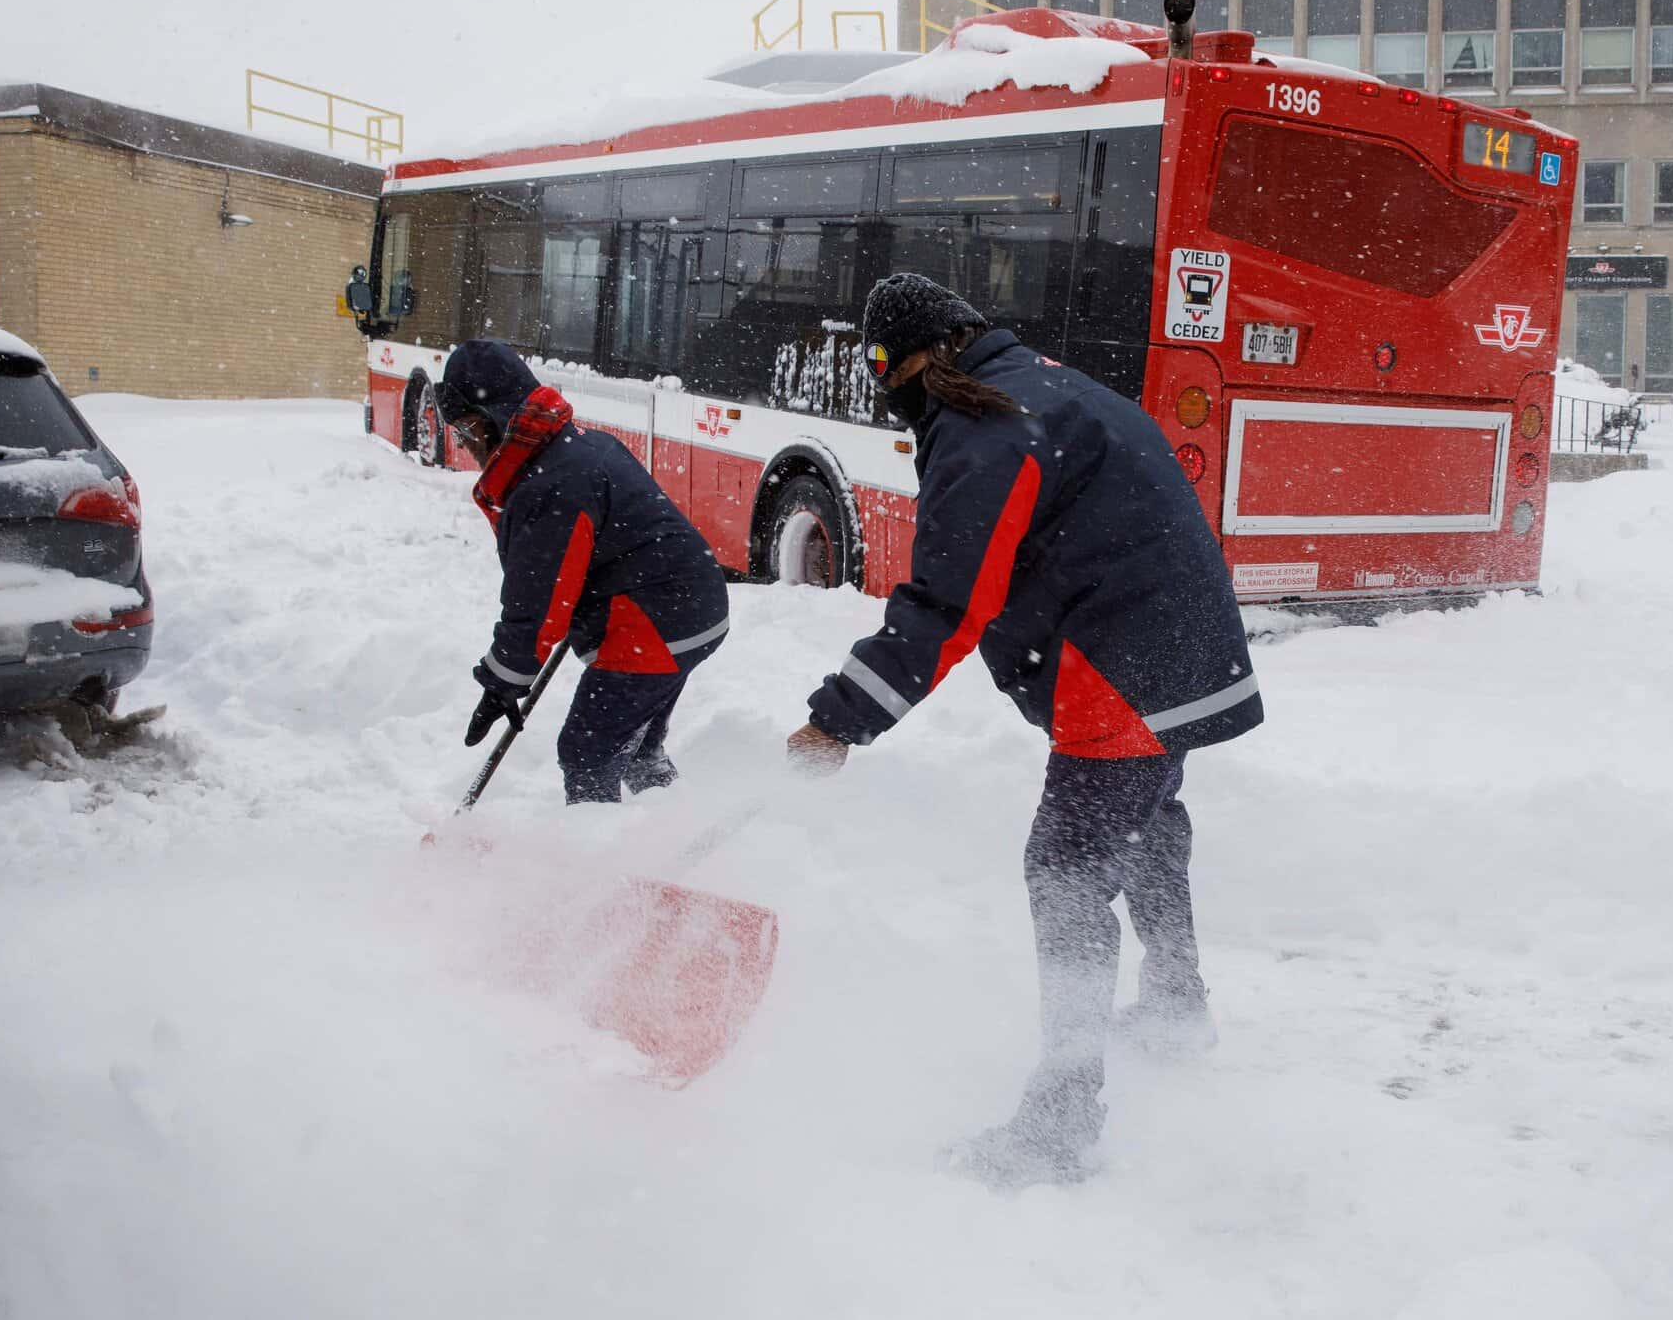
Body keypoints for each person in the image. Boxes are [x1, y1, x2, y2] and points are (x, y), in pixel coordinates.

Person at [785, 274, 1264, 1187]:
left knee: (1067, 869)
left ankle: (1060, 1117)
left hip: (1124, 665)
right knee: (1150, 820)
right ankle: (1175, 1001)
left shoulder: (990, 426)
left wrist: (836, 721)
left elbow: (946, 603)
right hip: (1186, 646)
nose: (885, 385)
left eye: (883, 366)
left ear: (913, 357)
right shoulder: (1049, 385)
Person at [439, 340, 728, 803]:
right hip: (691, 607)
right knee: (634, 750)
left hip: (654, 623)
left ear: (493, 416)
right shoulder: (574, 449)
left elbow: (538, 606)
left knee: (587, 751)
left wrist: (503, 682)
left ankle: (598, 864)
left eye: (465, 429)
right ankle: (675, 834)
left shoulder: (549, 484)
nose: (466, 445)